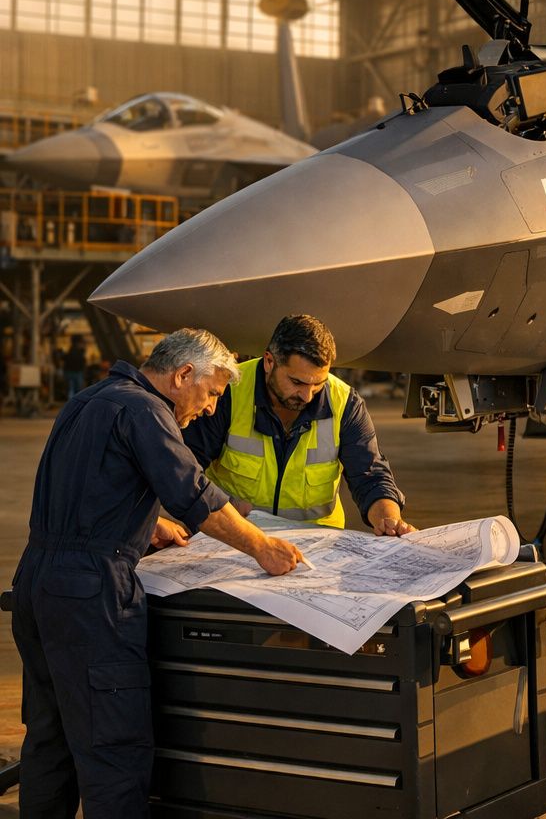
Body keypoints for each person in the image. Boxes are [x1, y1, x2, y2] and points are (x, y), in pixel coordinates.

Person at [12, 328, 306, 818]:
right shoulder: (147, 410)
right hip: (93, 599)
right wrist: (261, 546)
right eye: (211, 393)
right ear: (183, 374)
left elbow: (85, 491)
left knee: (50, 742)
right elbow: (195, 495)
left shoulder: (88, 400)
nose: (211, 408)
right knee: (113, 751)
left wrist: (146, 526)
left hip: (37, 584)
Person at [183, 314, 413, 535]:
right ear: (269, 362)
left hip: (316, 548)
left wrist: (388, 519)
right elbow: (186, 470)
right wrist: (225, 506)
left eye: (318, 384)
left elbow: (370, 477)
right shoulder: (228, 392)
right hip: (235, 537)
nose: (307, 396)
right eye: (297, 382)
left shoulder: (345, 403)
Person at [61, 334, 87, 399]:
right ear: (78, 342)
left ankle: (71, 404)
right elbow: (82, 362)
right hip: (77, 373)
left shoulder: (71, 350)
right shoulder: (79, 351)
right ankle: (75, 404)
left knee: (70, 390)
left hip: (69, 372)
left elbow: (65, 359)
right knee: (77, 391)